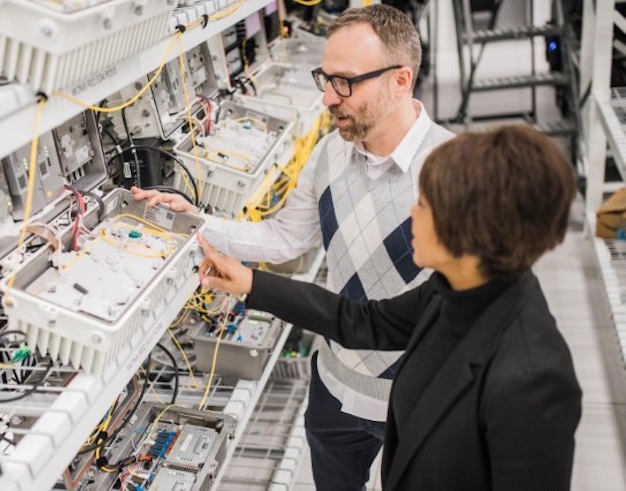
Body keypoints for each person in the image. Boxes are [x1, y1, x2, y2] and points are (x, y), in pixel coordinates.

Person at [132, 6, 453, 488]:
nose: (327, 97)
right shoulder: (329, 155)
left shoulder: (451, 171)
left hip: (419, 399)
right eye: (325, 78)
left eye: (344, 82)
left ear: (401, 80)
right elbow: (284, 238)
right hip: (334, 386)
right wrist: (195, 222)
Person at [196, 125, 583, 490]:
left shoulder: (532, 379)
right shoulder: (453, 289)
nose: (411, 213)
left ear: (471, 229)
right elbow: (362, 321)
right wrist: (249, 283)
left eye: (425, 205)